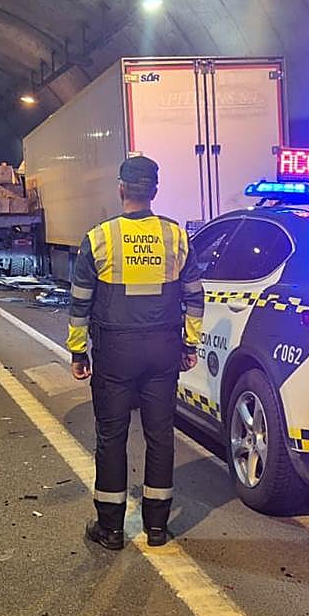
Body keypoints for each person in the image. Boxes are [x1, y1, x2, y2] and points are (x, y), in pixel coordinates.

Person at [67, 155, 204, 550]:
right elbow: (195, 297)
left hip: (115, 352)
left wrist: (79, 354)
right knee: (160, 436)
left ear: (122, 188)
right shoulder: (177, 237)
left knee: (112, 436)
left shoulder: (99, 238)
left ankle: (110, 528)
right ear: (154, 191)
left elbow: (80, 303)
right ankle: (157, 527)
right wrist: (189, 344)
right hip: (162, 350)